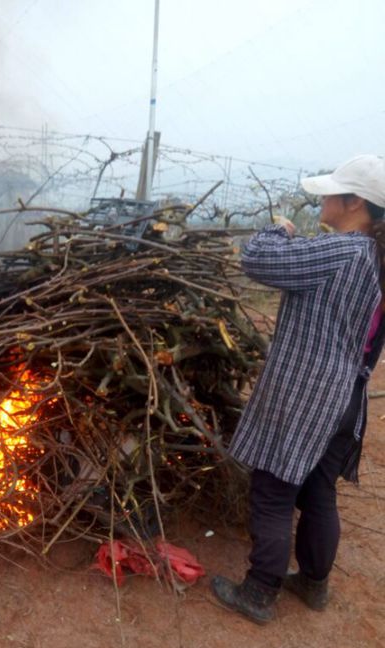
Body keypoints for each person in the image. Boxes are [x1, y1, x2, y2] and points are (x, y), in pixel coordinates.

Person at [211, 154, 385, 624]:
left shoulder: (343, 251)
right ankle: (313, 583)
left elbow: (258, 259)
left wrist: (281, 230)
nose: (324, 198)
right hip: (348, 396)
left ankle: (259, 592)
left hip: (307, 392)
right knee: (317, 490)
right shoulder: (376, 258)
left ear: (354, 203)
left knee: (273, 486)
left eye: (333, 192)